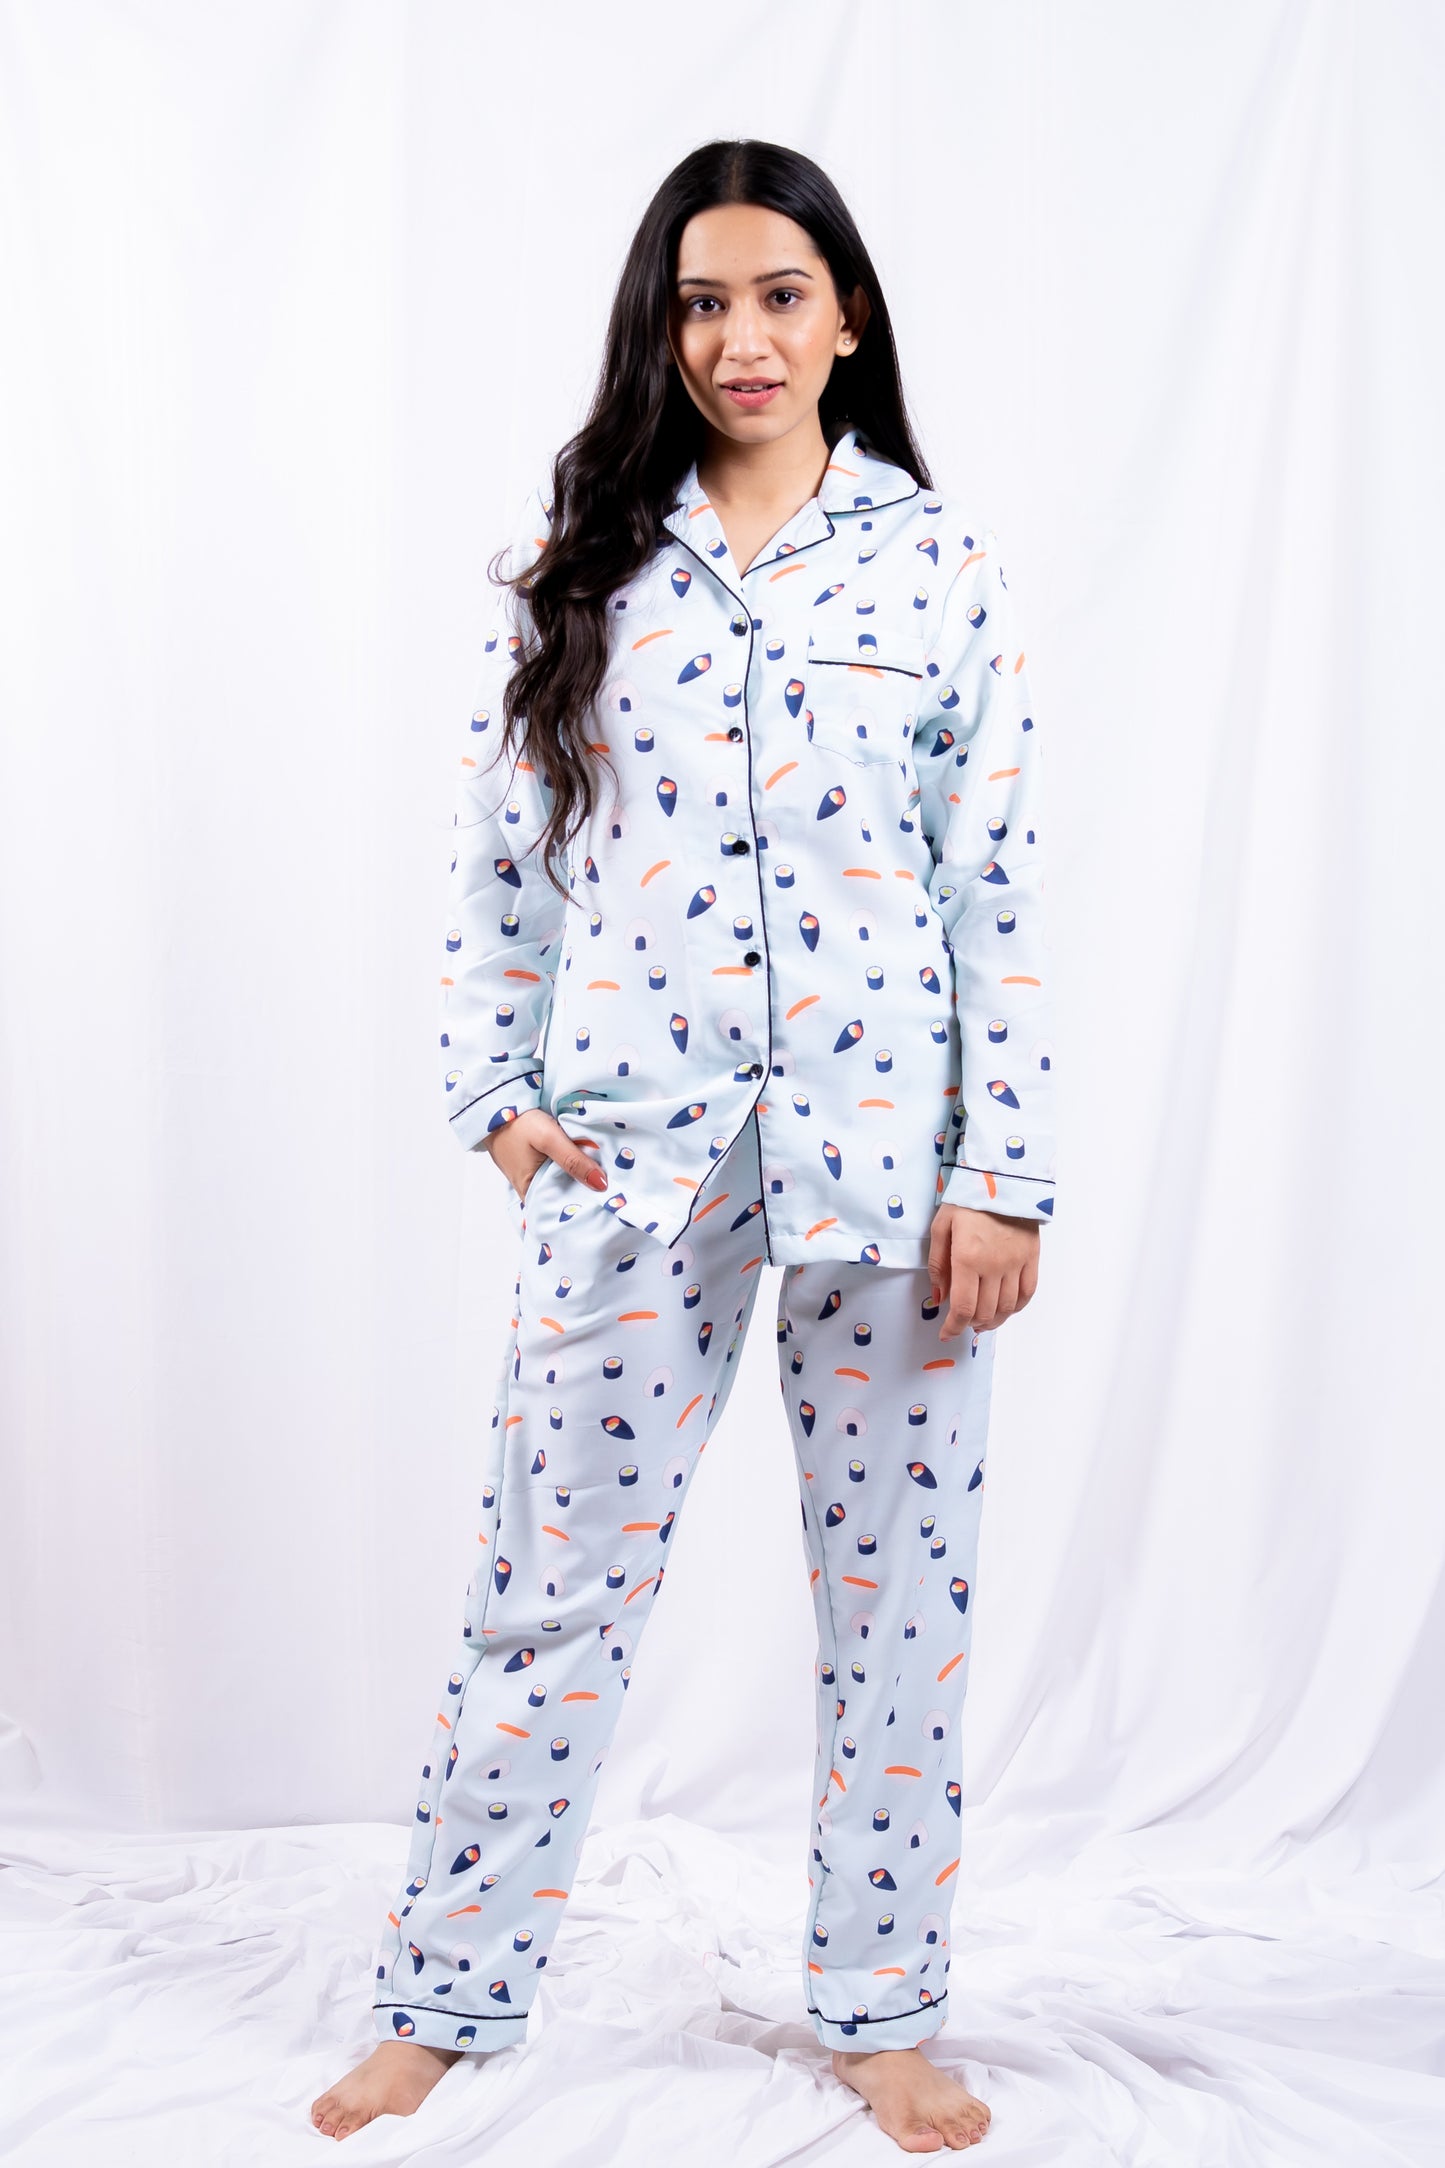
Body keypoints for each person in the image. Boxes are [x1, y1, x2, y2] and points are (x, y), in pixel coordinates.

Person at [313, 136, 1056, 2154]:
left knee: (899, 1609)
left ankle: (883, 2012)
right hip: (629, 1163)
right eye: (701, 301)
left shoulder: (941, 570)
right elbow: (501, 863)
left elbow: (995, 885)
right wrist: (495, 1101)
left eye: (778, 295)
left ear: (847, 317)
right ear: (660, 327)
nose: (740, 337)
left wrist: (1004, 1174)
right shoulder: (583, 568)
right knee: (544, 1594)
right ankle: (446, 1997)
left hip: (893, 1171)